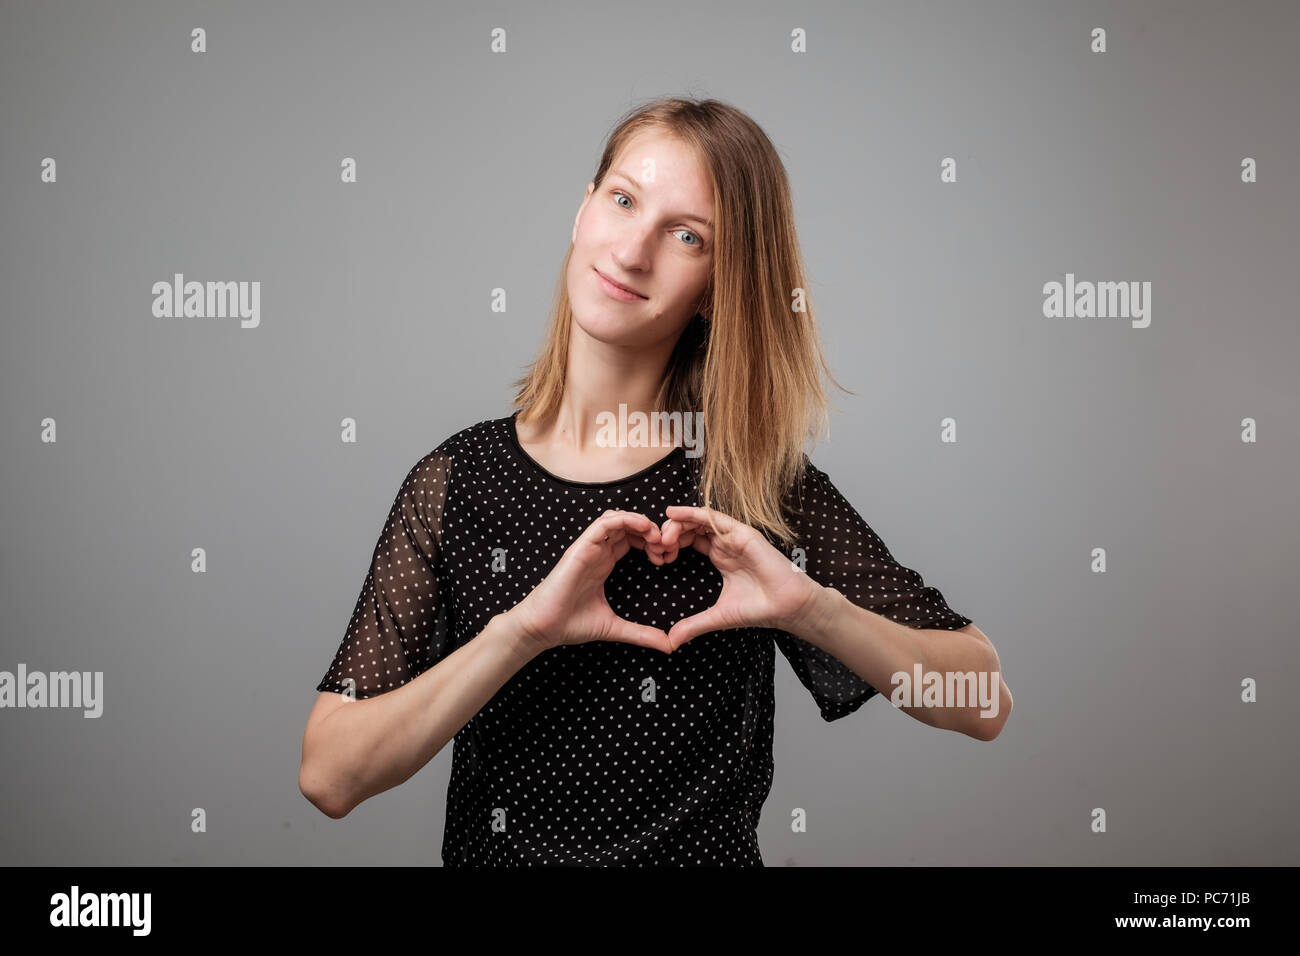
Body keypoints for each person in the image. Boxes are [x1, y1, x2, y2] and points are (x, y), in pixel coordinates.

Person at [297, 96, 1012, 866]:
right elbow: (332, 774)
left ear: (717, 285)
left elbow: (984, 703)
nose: (633, 252)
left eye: (685, 236)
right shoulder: (457, 483)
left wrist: (812, 610)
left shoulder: (748, 484)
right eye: (623, 199)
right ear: (583, 212)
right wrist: (523, 633)